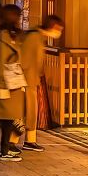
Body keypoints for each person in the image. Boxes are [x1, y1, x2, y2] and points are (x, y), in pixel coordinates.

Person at [0, 0, 28, 162]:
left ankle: (4, 150)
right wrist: (0, 86)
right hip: (1, 83)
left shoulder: (13, 35)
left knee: (9, 118)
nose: (19, 19)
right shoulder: (0, 36)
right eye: (18, 16)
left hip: (13, 83)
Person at [29, 13, 65, 147]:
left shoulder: (38, 36)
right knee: (26, 112)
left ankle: (29, 140)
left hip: (33, 78)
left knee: (31, 111)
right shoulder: (34, 36)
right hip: (28, 78)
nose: (59, 33)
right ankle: (11, 144)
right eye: (59, 29)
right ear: (53, 26)